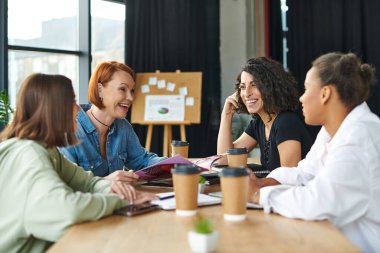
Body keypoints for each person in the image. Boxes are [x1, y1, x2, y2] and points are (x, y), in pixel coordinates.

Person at [0, 73, 157, 253]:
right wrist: (120, 201)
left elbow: (86, 182)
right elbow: (67, 209)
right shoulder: (28, 154)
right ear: (54, 109)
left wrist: (119, 191)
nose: (78, 108)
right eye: (72, 102)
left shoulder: (46, 150)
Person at [248, 52, 380, 253]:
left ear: (325, 93)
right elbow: (305, 172)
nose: (301, 98)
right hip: (332, 238)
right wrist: (263, 182)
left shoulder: (357, 139)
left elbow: (317, 202)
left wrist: (258, 194)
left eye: (307, 88)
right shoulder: (332, 130)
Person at [58, 61, 165, 183]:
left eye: (132, 90)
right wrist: (106, 182)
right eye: (122, 89)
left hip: (118, 201)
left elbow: (143, 161)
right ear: (100, 90)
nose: (131, 98)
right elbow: (66, 186)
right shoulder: (69, 131)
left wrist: (178, 164)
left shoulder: (123, 127)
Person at [217, 57, 312, 171]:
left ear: (271, 87)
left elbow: (289, 180)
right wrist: (226, 115)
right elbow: (224, 160)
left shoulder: (286, 123)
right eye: (242, 87)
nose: (246, 93)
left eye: (254, 85)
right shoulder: (259, 124)